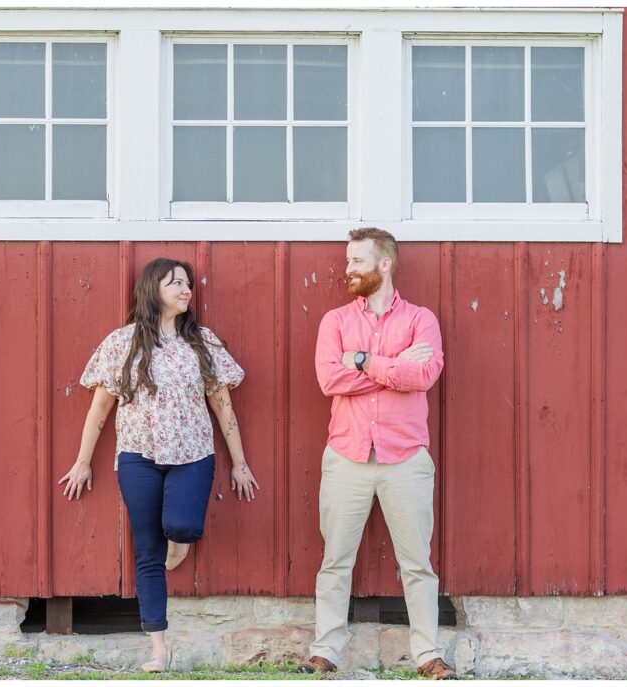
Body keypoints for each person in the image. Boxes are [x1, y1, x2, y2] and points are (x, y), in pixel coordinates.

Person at [58, 257, 260, 673]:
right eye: (176, 284)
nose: (186, 290)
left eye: (188, 284)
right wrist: (83, 462)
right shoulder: (122, 343)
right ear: (153, 290)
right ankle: (158, 650)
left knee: (181, 526)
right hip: (137, 457)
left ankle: (179, 539)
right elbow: (100, 408)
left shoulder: (202, 342)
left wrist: (239, 463)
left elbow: (223, 406)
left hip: (193, 455)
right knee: (147, 551)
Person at [300, 227, 455, 679]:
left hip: (405, 458)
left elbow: (424, 375)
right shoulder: (335, 321)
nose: (347, 269)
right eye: (348, 261)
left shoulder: (421, 319)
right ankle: (326, 648)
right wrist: (394, 366)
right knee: (335, 560)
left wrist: (363, 361)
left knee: (417, 564)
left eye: (357, 261)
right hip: (347, 456)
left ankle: (427, 654)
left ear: (384, 264)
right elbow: (331, 381)